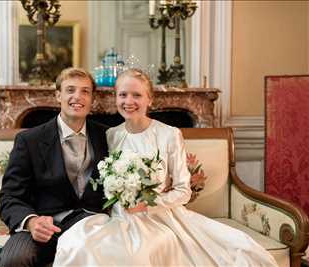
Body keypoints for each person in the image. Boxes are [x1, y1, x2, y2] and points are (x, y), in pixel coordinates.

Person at [53, 68, 278, 266]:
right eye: (122, 95)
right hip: (118, 216)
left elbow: (183, 190)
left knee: (138, 255)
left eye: (137, 95)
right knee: (82, 245)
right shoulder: (111, 135)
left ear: (150, 99)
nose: (128, 101)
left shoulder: (169, 134)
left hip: (159, 217)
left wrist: (146, 206)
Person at [0, 67, 109, 267]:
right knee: (14, 260)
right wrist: (32, 222)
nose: (78, 96)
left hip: (92, 227)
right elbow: (9, 197)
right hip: (47, 227)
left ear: (92, 99)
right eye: (70, 90)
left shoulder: (108, 137)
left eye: (85, 91)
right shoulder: (29, 140)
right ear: (58, 95)